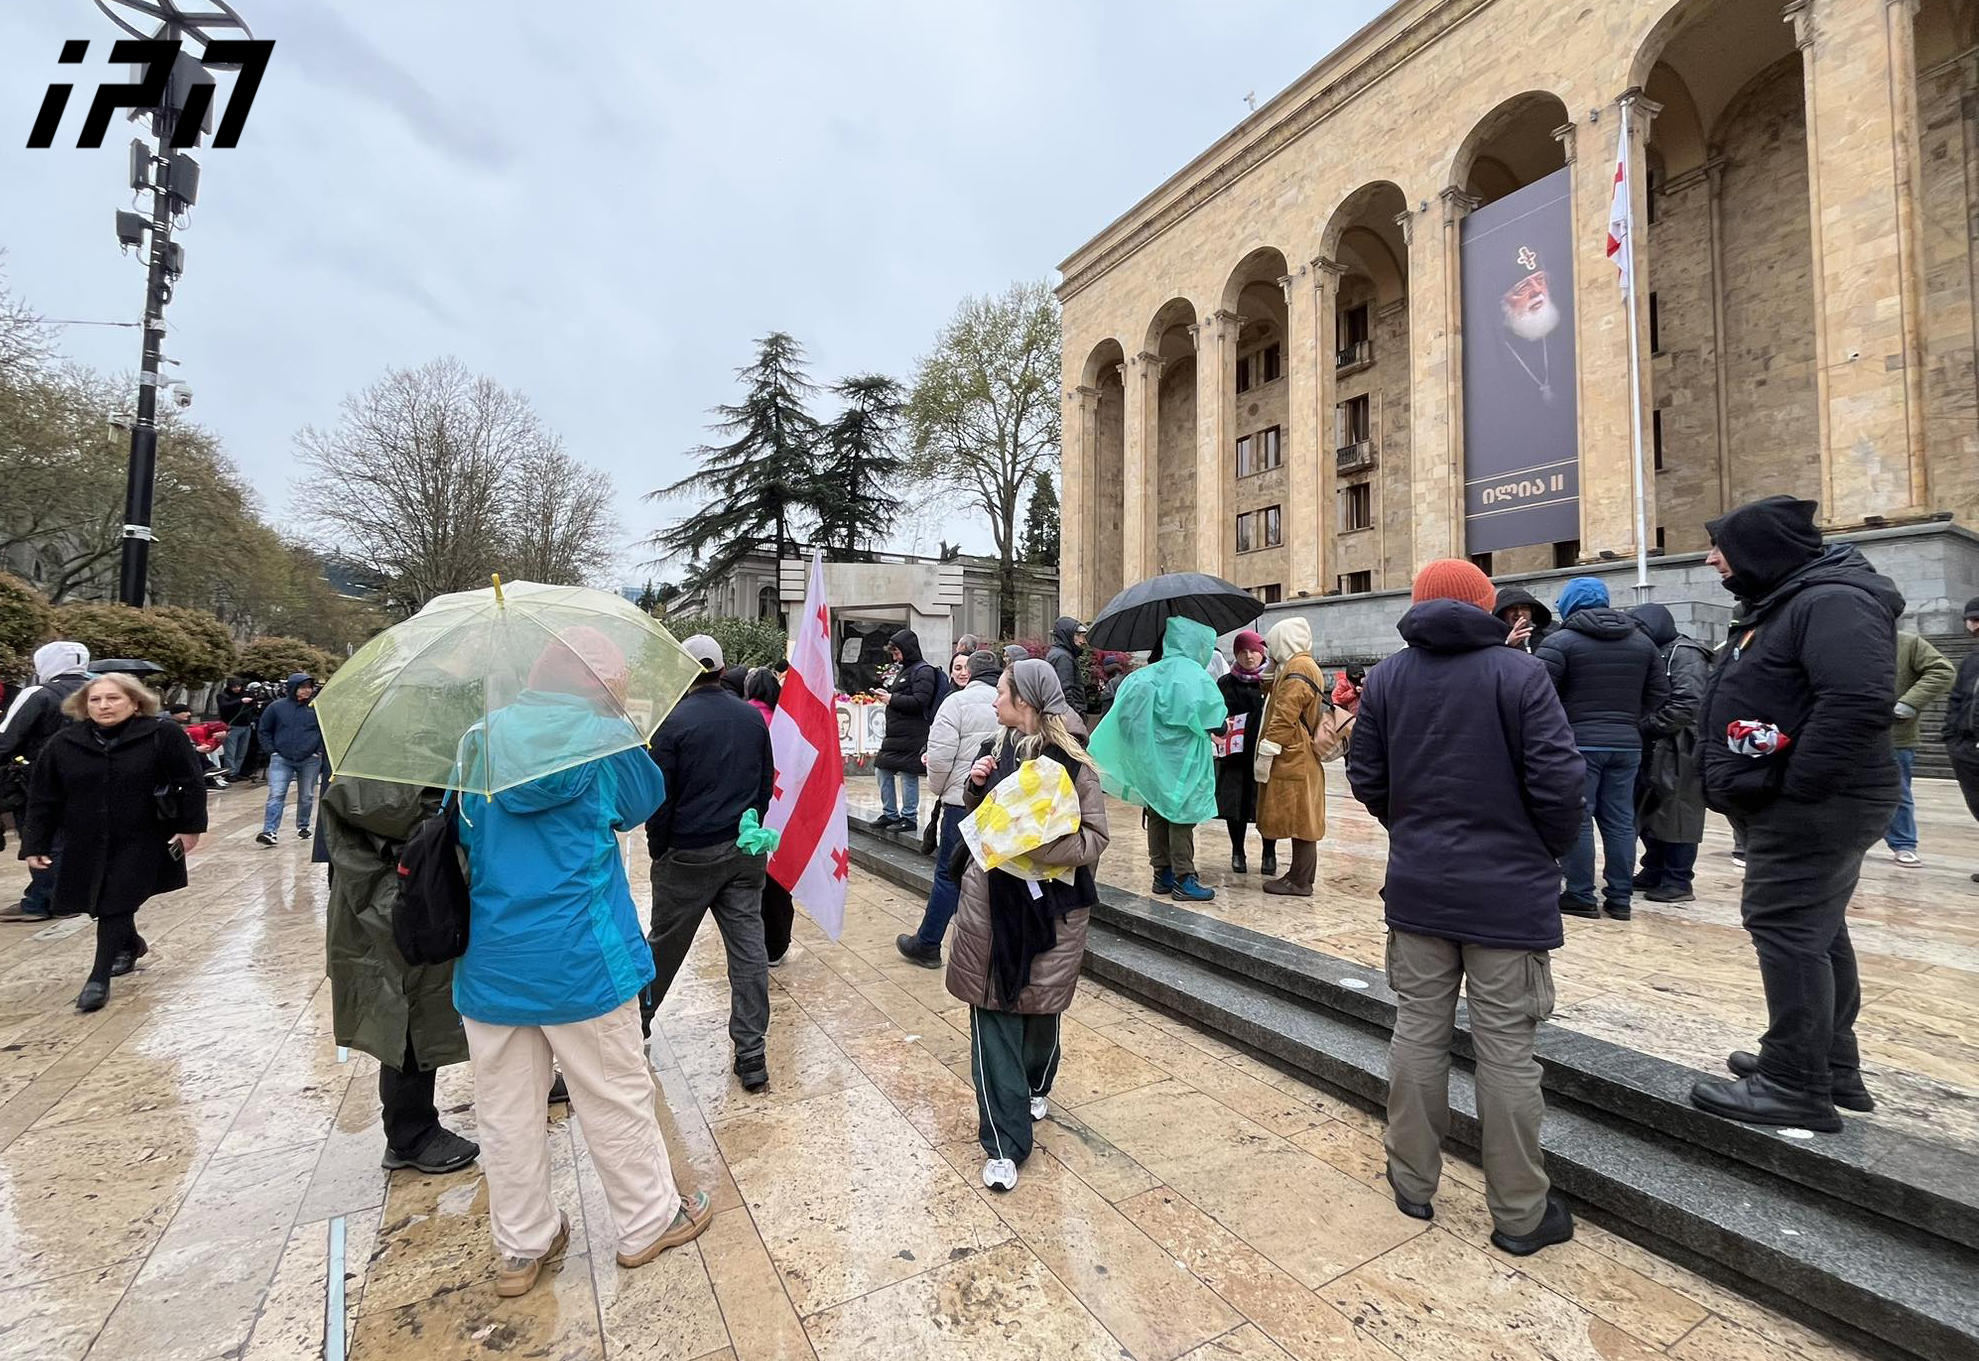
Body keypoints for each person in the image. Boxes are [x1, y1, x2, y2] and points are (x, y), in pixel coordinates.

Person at [453, 631, 712, 1297]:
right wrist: (617, 721)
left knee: (505, 1111)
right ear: (603, 685)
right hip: (582, 956)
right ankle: (647, 1220)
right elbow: (640, 802)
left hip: (494, 959)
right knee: (615, 1095)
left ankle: (522, 1245)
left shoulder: (480, 737)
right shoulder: (607, 740)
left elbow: (460, 828)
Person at [1346, 559, 1583, 1256]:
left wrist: (1412, 828)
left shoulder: (1387, 676)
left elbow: (1366, 774)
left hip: (1419, 886)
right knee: (1505, 1047)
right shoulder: (1519, 673)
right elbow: (1559, 782)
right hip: (1506, 893)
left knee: (1417, 1031)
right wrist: (1540, 847)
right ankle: (1518, 1211)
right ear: (1490, 609)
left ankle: (1410, 1183)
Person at [1690, 495, 1902, 1133]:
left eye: (1721, 547)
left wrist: (1794, 788)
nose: (1711, 559)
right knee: (1817, 928)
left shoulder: (1830, 601)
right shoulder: (1792, 601)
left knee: (1786, 928)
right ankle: (1828, 1062)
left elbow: (1859, 701)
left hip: (1816, 805)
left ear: (1760, 550)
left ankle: (1793, 1083)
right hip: (1805, 801)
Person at [946, 661, 1108, 1192]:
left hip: (1050, 912)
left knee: (1040, 1010)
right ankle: (1005, 1143)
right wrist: (976, 791)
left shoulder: (1075, 765)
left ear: (1027, 702)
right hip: (992, 908)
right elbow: (985, 816)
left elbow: (1093, 840)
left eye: (1001, 693)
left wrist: (1031, 844)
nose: (993, 702)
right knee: (993, 1015)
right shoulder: (999, 749)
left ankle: (1037, 1084)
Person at [21, 672, 208, 1012]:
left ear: (135, 702)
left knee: (115, 901)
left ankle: (98, 978)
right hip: (85, 838)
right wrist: (35, 844)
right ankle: (130, 944)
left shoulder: (162, 734)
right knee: (102, 900)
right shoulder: (64, 743)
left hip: (143, 836)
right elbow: (43, 797)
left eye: (113, 698)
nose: (104, 705)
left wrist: (190, 827)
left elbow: (191, 782)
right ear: (84, 705)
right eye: (96, 699)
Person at [321, 777, 479, 1175]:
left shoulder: (406, 756)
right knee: (408, 1014)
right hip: (400, 902)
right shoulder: (385, 772)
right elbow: (400, 815)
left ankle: (538, 1081)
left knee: (439, 1001)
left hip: (414, 893)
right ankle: (411, 1132)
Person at [643, 635, 777, 1092]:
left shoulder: (671, 723)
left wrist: (658, 848)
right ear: (721, 670)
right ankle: (752, 1052)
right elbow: (764, 783)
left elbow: (659, 800)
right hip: (742, 848)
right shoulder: (750, 718)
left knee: (663, 946)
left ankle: (636, 1023)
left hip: (688, 852)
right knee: (748, 950)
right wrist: (750, 828)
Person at [1536, 578, 1668, 921]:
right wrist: (1631, 724)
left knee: (1579, 818)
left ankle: (1580, 894)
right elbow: (1659, 695)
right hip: (1626, 744)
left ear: (1567, 604)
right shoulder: (1643, 643)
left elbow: (1539, 696)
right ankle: (1620, 898)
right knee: (1621, 819)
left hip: (1576, 743)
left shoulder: (1560, 642)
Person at [1088, 616, 1227, 902]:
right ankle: (1184, 877)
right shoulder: (1193, 675)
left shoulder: (1142, 676)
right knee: (1181, 816)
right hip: (1184, 763)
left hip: (1151, 762)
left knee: (1157, 812)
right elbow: (1216, 721)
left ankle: (1161, 874)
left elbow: (1124, 719)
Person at [898, 649, 1003, 967]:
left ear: (969, 673)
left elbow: (940, 756)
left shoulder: (956, 703)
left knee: (949, 873)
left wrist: (940, 790)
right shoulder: (1010, 701)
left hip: (961, 802)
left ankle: (928, 942)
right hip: (1000, 804)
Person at [1256, 618, 1352, 896]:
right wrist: (1272, 669)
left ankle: (1299, 881)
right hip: (1299, 754)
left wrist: (1268, 750)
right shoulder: (1299, 664)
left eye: (1272, 643)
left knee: (1301, 821)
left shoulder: (1298, 667)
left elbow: (1284, 714)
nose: (1269, 649)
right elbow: (1272, 696)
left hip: (1293, 755)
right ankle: (1300, 877)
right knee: (1303, 818)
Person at [0, 641, 92, 922]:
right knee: (74, 837)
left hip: (39, 778)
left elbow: (6, 738)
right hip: (90, 776)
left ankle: (42, 900)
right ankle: (72, 894)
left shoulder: (39, 693)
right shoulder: (99, 690)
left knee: (43, 837)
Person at [1629, 604, 1711, 904]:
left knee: (1679, 814)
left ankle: (1678, 878)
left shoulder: (1686, 654)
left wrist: (1649, 725)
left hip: (1681, 748)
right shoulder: (1659, 651)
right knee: (1653, 811)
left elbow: (1688, 702)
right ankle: (1654, 867)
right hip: (1659, 744)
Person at [1883, 628, 1953, 867]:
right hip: (1844, 732)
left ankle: (1903, 843)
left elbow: (1942, 670)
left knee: (1898, 790)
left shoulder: (1908, 643)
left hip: (1894, 734)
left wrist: (1909, 702)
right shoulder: (1840, 642)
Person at [743, 666, 796, 968]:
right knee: (779, 878)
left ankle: (757, 942)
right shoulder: (786, 724)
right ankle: (778, 943)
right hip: (783, 808)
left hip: (751, 810)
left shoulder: (742, 717)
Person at [1215, 630, 1275, 877]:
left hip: (1264, 754)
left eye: (1253, 651)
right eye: (1242, 651)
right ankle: (1237, 851)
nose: (1248, 656)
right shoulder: (1226, 682)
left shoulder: (1271, 680)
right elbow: (1218, 713)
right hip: (1236, 756)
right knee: (1235, 805)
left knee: (1266, 805)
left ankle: (1269, 853)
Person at [874, 630, 940, 831]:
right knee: (882, 769)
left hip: (913, 733)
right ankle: (890, 813)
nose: (895, 657)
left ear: (907, 650)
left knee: (908, 773)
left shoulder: (923, 671)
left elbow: (921, 701)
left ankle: (909, 817)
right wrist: (889, 696)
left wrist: (891, 699)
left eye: (897, 653)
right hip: (896, 734)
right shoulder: (906, 670)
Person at [256, 673, 325, 845]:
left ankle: (303, 824)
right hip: (281, 758)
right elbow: (264, 729)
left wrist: (319, 751)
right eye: (303, 687)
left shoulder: (317, 708)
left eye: (309, 687)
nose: (307, 690)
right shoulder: (276, 707)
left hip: (310, 759)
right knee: (276, 794)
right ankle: (269, 831)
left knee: (307, 795)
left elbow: (326, 730)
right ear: (293, 688)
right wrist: (271, 751)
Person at [1945, 598, 1979, 881]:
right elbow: (1956, 700)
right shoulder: (1970, 661)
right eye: (1972, 619)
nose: (1975, 624)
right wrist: (1951, 738)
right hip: (1967, 748)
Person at [1046, 616, 1089, 716]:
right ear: (1067, 635)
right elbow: (1065, 691)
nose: (1082, 641)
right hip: (1067, 716)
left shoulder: (1060, 654)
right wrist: (1075, 714)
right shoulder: (1063, 657)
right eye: (1078, 635)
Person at [1493, 587, 1553, 654]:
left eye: (1524, 608)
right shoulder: (1493, 640)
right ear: (1502, 613)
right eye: (1512, 608)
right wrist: (1508, 645)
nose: (1519, 613)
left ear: (1532, 611)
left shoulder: (1549, 637)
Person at [215, 678, 253, 778]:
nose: (237, 689)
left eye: (239, 686)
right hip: (232, 726)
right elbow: (224, 706)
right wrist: (240, 701)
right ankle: (230, 773)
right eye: (234, 687)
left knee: (241, 752)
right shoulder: (223, 696)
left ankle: (236, 771)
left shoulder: (245, 694)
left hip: (245, 726)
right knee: (230, 752)